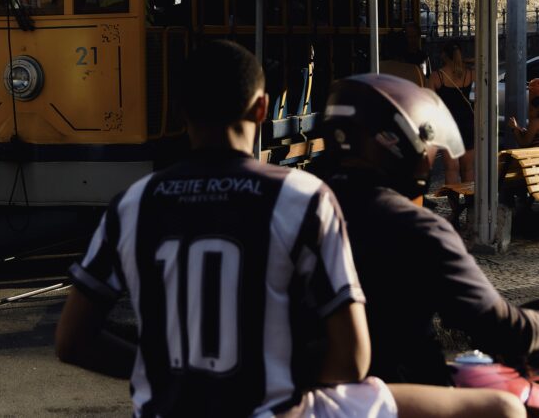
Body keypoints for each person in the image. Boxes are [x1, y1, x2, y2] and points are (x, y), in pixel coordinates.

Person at [56, 41, 523, 418]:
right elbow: (352, 359)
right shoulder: (300, 197)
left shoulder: (133, 203)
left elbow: (73, 340)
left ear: (182, 112)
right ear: (262, 109)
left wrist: (168, 371)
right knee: (501, 408)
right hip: (278, 408)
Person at [322, 73, 539, 390]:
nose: (432, 153)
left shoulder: (302, 206)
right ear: (402, 142)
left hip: (305, 388)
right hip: (400, 392)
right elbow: (501, 329)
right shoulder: (413, 226)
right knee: (509, 407)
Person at [428, 40, 475, 183]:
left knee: (451, 169)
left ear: (443, 55)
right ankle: (469, 197)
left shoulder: (436, 76)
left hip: (447, 125)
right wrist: (466, 61)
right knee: (468, 169)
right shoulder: (470, 74)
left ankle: (453, 199)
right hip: (467, 122)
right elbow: (484, 64)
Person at [508, 77, 539, 147]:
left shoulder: (536, 122)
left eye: (531, 109)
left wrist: (514, 128)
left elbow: (524, 143)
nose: (530, 111)